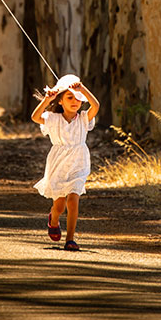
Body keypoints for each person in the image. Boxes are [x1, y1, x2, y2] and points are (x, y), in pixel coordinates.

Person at [31, 74, 100, 251]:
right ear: (60, 101)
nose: (75, 101)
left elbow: (96, 105)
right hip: (58, 164)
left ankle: (70, 239)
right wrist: (47, 99)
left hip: (79, 162)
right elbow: (35, 116)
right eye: (69, 97)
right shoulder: (53, 119)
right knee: (60, 205)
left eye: (78, 98)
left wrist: (82, 89)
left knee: (73, 200)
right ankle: (53, 219)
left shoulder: (84, 118)